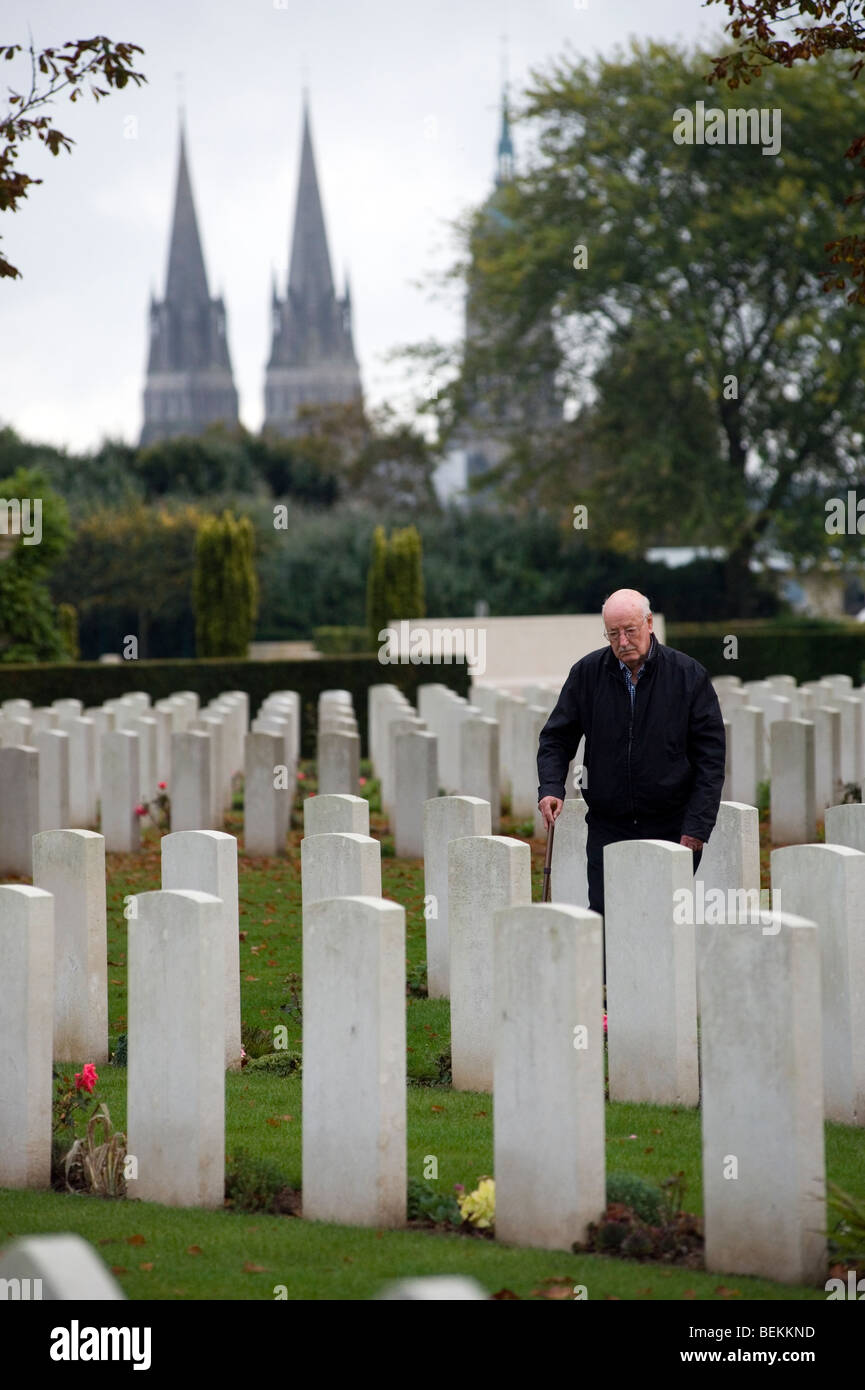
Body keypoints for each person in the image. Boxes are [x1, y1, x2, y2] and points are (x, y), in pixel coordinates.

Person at [537, 589, 726, 917]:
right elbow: (556, 738)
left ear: (649, 624)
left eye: (630, 630)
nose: (622, 641)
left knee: (661, 923)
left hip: (670, 826)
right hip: (609, 827)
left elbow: (710, 758)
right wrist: (551, 787)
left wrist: (697, 827)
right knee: (609, 919)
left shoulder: (688, 676)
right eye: (613, 633)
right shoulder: (587, 674)